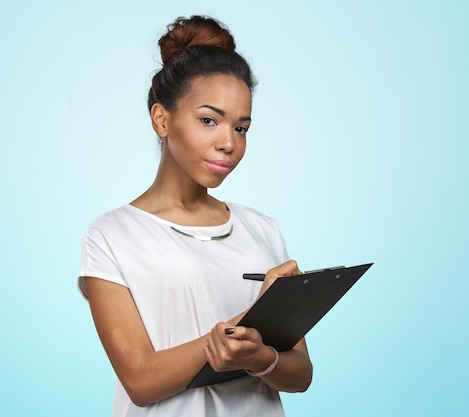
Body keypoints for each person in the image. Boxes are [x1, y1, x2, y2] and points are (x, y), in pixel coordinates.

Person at [78, 15, 313, 417]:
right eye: (209, 120)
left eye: (242, 128)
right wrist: (247, 325)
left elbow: (301, 374)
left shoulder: (262, 230)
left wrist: (261, 359)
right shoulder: (111, 236)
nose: (228, 143)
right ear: (162, 119)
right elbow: (139, 380)